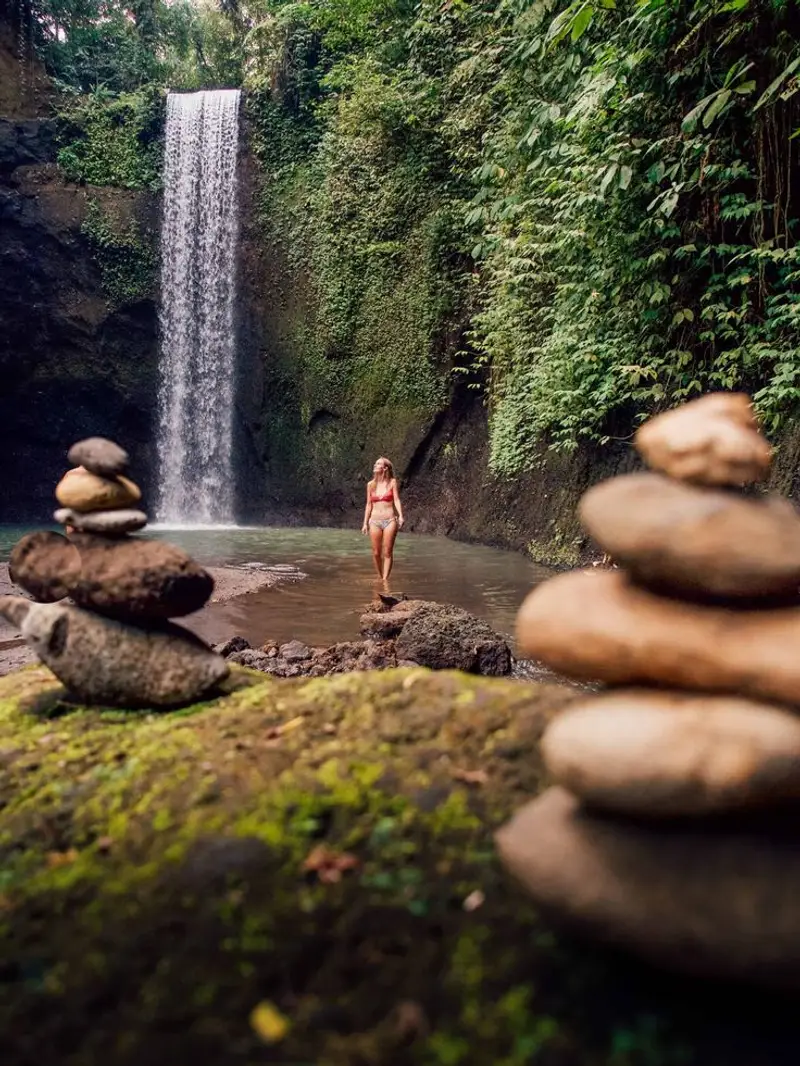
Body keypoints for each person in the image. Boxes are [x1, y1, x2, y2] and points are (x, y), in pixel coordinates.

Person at [361, 456, 404, 581]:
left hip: (390, 520)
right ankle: (380, 577)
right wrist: (365, 523)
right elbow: (368, 505)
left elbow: (396, 500)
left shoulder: (392, 482)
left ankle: (385, 580)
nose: (375, 465)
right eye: (375, 463)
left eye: (378, 464)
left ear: (385, 468)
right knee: (376, 553)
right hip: (374, 521)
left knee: (388, 551)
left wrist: (401, 515)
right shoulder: (370, 485)